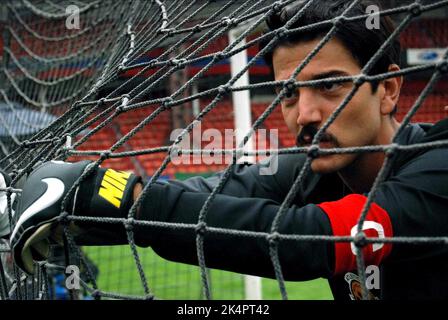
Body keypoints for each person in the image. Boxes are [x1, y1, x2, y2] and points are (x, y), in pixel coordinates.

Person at [4, 0, 448, 300]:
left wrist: (122, 196)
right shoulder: (305, 171)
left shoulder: (439, 163)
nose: (305, 114)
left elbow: (313, 241)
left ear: (388, 89)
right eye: (287, 93)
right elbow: (211, 196)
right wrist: (63, 207)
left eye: (329, 85)